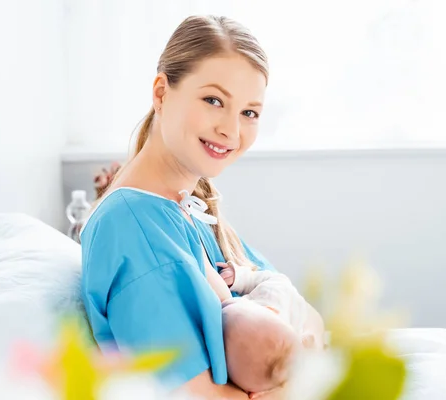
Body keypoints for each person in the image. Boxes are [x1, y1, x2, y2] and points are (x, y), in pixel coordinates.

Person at [80, 15, 324, 399]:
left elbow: (295, 315)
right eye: (214, 100)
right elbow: (191, 393)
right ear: (161, 92)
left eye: (249, 112)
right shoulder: (131, 226)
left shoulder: (189, 211)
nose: (232, 130)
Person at [216, 262, 326, 397]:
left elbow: (276, 279)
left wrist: (243, 277)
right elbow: (277, 279)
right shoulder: (276, 296)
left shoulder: (274, 296)